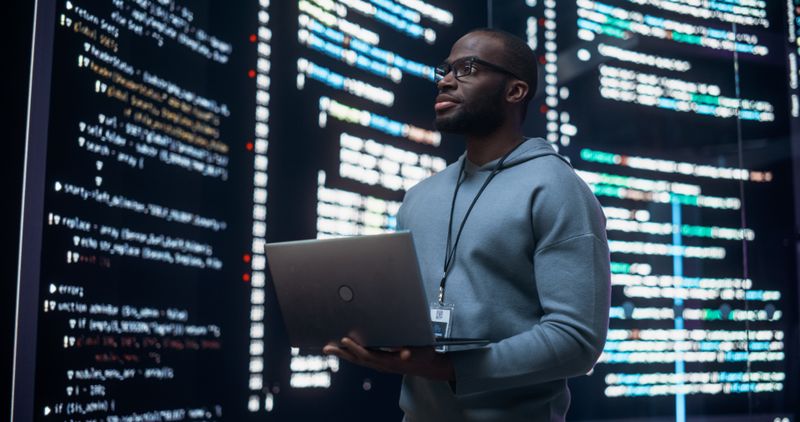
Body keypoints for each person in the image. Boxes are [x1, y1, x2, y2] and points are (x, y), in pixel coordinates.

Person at [323, 28, 611, 421]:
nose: (445, 80)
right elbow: (405, 314)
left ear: (515, 92)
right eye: (445, 69)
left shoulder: (558, 188)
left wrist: (451, 368)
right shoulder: (419, 197)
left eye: (467, 69)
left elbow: (577, 341)